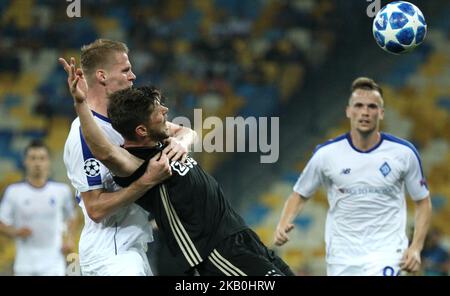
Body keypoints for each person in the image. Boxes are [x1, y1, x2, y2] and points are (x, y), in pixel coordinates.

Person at [64, 59, 294, 276]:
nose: (165, 111)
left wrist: (182, 141)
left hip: (240, 234)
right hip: (214, 251)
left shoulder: (162, 140)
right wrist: (81, 103)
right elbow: (104, 151)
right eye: (158, 110)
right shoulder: (139, 164)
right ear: (142, 130)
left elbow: (189, 132)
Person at [59, 39, 195, 276]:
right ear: (102, 76)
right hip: (110, 252)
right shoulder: (83, 134)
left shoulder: (125, 119)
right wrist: (146, 181)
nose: (133, 76)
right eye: (125, 70)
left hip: (133, 247)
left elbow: (186, 131)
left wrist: (180, 143)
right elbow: (96, 209)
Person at [273, 77, 432, 276]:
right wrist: (283, 223)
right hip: (342, 257)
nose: (365, 112)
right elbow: (300, 194)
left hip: (388, 253)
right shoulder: (326, 154)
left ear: (381, 113)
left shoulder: (404, 153)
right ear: (348, 111)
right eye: (359, 105)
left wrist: (416, 247)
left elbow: (422, 201)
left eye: (372, 107)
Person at [0, 140, 77, 276]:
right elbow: (2, 223)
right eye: (33, 158)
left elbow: (71, 218)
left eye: (42, 158)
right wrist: (16, 232)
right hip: (24, 264)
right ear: (25, 161)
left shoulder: (61, 191)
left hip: (53, 264)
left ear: (48, 161)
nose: (37, 163)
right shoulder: (13, 191)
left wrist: (70, 239)